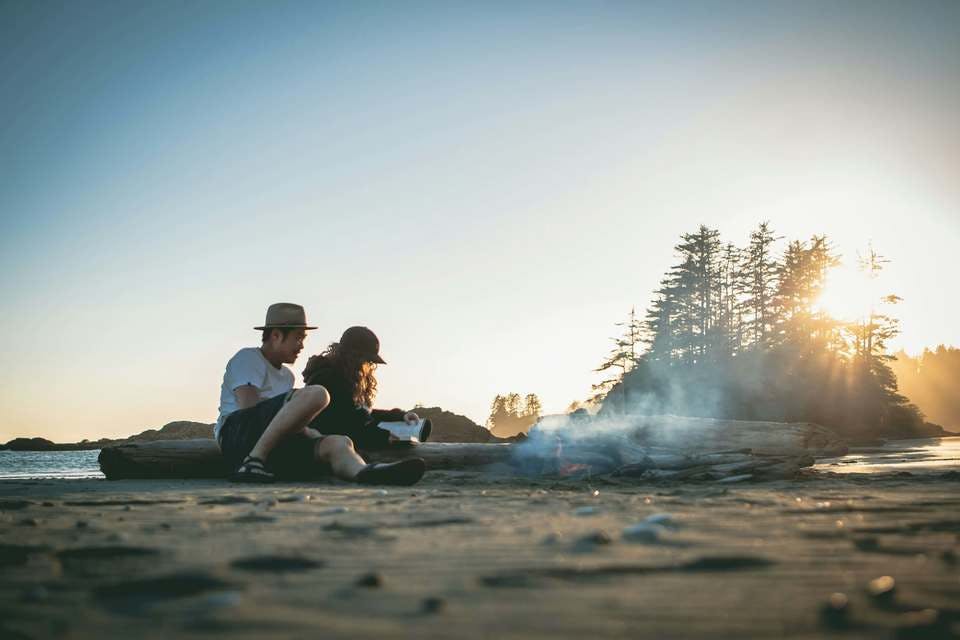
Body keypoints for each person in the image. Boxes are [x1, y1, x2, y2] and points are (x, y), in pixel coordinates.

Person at [215, 303, 425, 485]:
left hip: (274, 446)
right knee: (318, 395)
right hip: (237, 439)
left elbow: (281, 419)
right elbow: (249, 411)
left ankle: (366, 473)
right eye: (298, 338)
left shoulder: (287, 376)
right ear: (276, 335)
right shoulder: (248, 359)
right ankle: (253, 462)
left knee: (339, 442)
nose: (302, 345)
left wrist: (311, 434)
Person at [301, 326, 420, 449]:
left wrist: (399, 416)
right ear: (354, 358)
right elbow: (343, 426)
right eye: (367, 361)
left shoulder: (345, 377)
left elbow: (360, 413)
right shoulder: (329, 379)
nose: (368, 366)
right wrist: (383, 437)